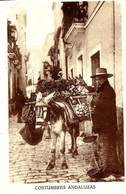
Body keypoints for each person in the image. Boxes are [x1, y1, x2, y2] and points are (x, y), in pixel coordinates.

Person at [87, 67, 120, 179]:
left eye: (100, 78)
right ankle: (109, 168)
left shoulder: (108, 91)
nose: (98, 80)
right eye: (97, 78)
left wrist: (92, 102)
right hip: (103, 124)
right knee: (104, 147)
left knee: (104, 148)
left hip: (106, 125)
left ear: (105, 78)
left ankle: (105, 171)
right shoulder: (101, 90)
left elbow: (102, 106)